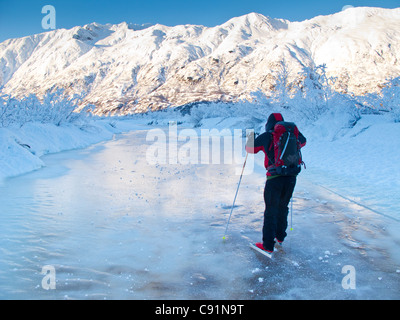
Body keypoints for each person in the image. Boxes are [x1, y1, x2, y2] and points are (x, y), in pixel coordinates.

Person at [245, 113, 306, 255]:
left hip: (274, 178)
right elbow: (303, 142)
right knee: (283, 206)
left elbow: (250, 149)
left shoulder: (268, 136)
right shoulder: (292, 134)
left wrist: (250, 136)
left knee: (271, 210)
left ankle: (267, 245)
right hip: (291, 176)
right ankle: (280, 237)